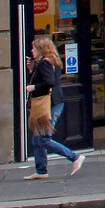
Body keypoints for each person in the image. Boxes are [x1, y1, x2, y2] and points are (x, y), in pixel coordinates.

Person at [21, 35, 83, 181]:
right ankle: (41, 171)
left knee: (42, 139)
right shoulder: (52, 62)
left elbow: (48, 82)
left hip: (50, 104)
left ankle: (75, 157)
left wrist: (32, 87)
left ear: (41, 50)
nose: (32, 51)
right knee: (37, 139)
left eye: (34, 48)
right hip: (54, 102)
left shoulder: (44, 63)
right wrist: (31, 70)